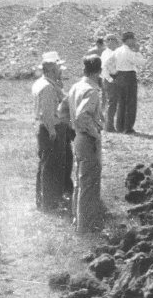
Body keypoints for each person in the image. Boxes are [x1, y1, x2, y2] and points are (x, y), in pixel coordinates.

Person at [66, 55, 104, 233]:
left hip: (78, 138)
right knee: (89, 183)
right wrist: (95, 134)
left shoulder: (76, 86)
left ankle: (77, 219)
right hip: (88, 139)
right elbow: (83, 116)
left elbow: (63, 110)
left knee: (80, 182)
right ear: (99, 71)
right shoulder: (92, 90)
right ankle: (86, 226)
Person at [32, 51, 73, 211]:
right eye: (58, 67)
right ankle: (49, 203)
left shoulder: (45, 83)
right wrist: (52, 130)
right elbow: (47, 112)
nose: (60, 69)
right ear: (51, 69)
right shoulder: (48, 87)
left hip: (49, 128)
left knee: (48, 164)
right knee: (51, 166)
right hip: (51, 128)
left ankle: (45, 200)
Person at [111, 31, 145, 134]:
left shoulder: (117, 51)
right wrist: (138, 51)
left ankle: (119, 125)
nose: (135, 41)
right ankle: (128, 127)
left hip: (119, 76)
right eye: (133, 39)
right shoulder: (128, 52)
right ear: (129, 40)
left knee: (121, 102)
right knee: (130, 102)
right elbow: (141, 62)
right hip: (128, 76)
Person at [100, 34, 120, 132]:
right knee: (111, 102)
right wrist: (110, 80)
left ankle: (108, 124)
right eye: (114, 40)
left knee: (111, 102)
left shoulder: (112, 52)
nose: (116, 43)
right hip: (109, 79)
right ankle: (109, 126)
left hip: (112, 78)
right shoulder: (107, 54)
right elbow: (104, 68)